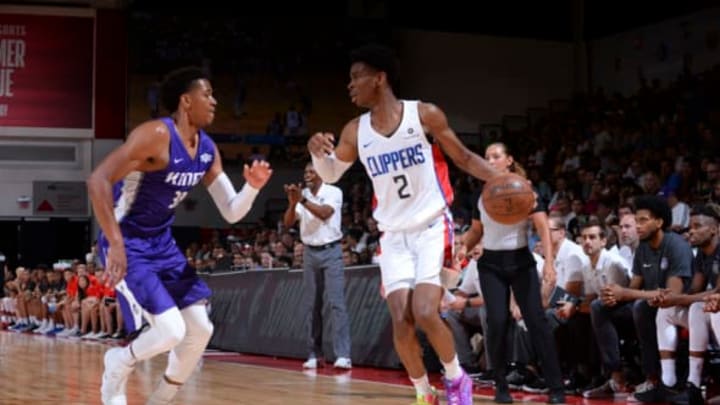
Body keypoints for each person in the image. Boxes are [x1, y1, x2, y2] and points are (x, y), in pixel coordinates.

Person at [307, 44, 499, 405]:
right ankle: (424, 393)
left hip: (430, 227)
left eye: (355, 78)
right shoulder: (355, 130)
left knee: (426, 311)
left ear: (379, 79)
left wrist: (500, 180)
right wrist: (316, 151)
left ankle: (457, 379)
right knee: (400, 319)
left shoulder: (424, 114)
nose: (349, 86)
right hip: (393, 236)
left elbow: (463, 157)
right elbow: (331, 173)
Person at [87, 66, 272, 405]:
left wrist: (253, 188)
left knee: (201, 330)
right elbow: (98, 180)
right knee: (171, 331)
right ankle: (119, 360)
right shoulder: (156, 134)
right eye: (208, 94)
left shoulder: (207, 149)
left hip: (162, 243)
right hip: (128, 240)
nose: (215, 102)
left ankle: (159, 400)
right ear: (187, 101)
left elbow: (232, 211)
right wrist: (114, 243)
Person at [457, 142, 566, 404]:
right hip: (490, 263)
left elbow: (542, 228)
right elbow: (476, 231)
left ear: (508, 160)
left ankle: (556, 388)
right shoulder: (481, 194)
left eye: (496, 156)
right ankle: (501, 385)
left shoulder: (524, 189)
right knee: (496, 322)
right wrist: (463, 248)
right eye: (487, 157)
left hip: (521, 261)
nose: (490, 160)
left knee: (537, 323)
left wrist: (549, 263)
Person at [283, 162, 352, 370]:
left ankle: (343, 355)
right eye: (305, 172)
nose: (307, 175)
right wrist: (291, 202)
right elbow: (287, 223)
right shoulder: (302, 195)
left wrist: (301, 200)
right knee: (312, 305)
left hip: (331, 251)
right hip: (310, 252)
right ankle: (314, 354)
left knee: (336, 303)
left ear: (321, 174)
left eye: (312, 171)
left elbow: (324, 214)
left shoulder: (334, 191)